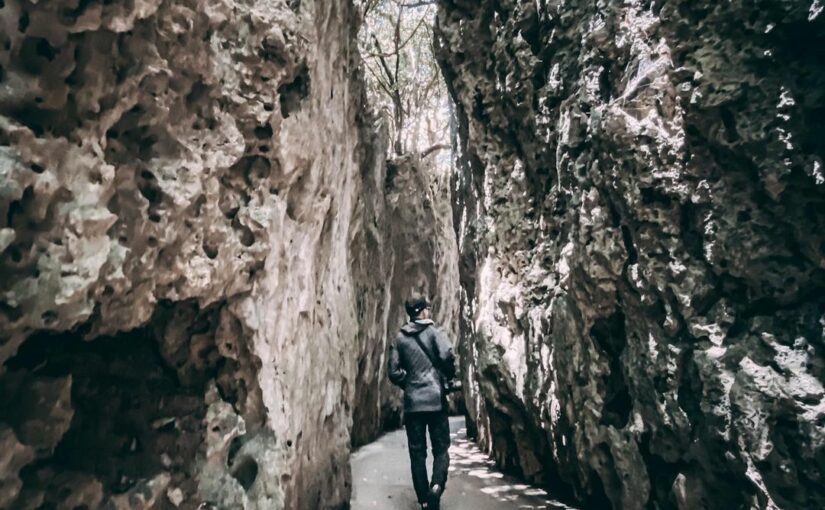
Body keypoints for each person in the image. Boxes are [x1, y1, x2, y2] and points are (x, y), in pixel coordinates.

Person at [388, 295, 456, 510]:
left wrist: (409, 384)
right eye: (428, 307)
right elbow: (447, 356)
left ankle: (425, 500)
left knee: (417, 452)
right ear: (423, 311)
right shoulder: (436, 333)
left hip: (413, 404)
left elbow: (393, 371)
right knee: (441, 448)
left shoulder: (399, 338)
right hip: (436, 400)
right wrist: (447, 375)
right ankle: (436, 487)